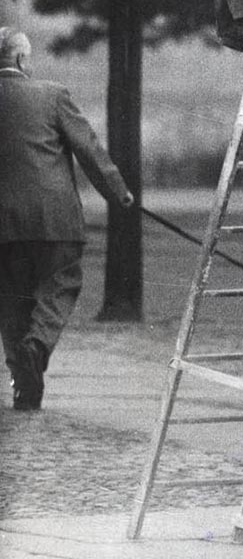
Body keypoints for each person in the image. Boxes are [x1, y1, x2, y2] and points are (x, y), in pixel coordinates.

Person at [0, 27, 133, 410]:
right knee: (61, 284)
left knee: (10, 302)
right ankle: (37, 346)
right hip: (53, 219)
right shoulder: (51, 95)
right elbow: (88, 149)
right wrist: (118, 193)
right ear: (23, 60)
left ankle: (25, 386)